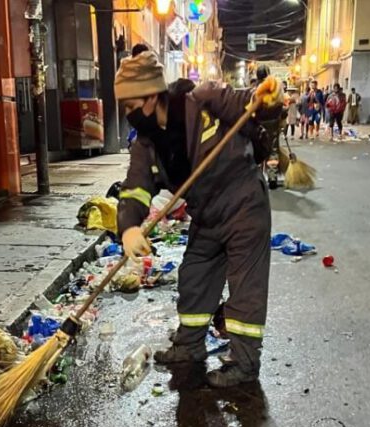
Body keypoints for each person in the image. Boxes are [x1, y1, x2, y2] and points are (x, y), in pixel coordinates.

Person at [115, 50, 282, 387]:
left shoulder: (203, 101)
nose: (128, 115)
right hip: (206, 215)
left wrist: (266, 98)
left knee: (245, 289)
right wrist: (129, 227)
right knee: (194, 276)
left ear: (150, 97)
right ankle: (190, 346)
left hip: (243, 205)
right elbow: (135, 188)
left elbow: (247, 105)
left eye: (130, 106)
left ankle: (245, 364)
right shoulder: (147, 145)